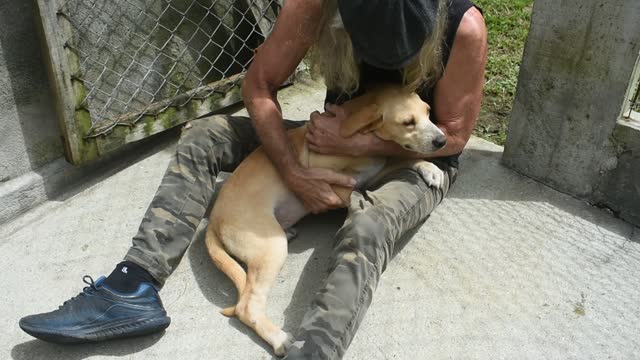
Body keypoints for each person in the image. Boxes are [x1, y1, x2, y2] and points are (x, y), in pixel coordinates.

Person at [20, 0, 487, 358]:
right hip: (325, 143)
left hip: (413, 157)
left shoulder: (463, 27)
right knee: (206, 133)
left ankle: (315, 350)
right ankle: (133, 287)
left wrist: (358, 146)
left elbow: (455, 137)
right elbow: (259, 86)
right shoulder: (317, 4)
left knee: (368, 227)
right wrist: (293, 170)